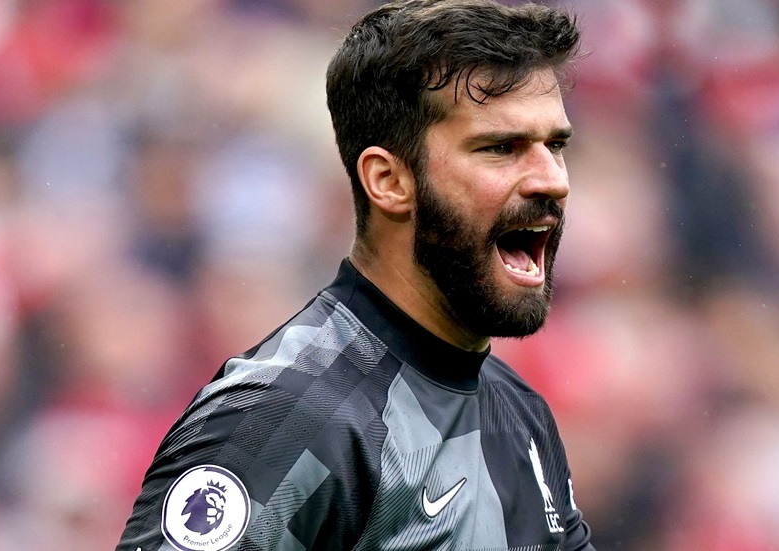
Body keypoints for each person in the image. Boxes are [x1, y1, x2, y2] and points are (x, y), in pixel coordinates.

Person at [116, 1, 595, 549]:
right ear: (388, 181)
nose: (552, 180)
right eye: (501, 148)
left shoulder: (521, 415)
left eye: (555, 146)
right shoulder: (287, 417)